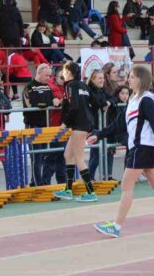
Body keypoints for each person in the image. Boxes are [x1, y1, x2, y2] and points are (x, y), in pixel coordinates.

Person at [90, 65, 154, 238]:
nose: (128, 79)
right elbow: (119, 123)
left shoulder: (146, 100)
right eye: (129, 76)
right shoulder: (133, 99)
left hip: (142, 148)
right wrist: (99, 134)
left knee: (126, 185)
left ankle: (116, 226)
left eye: (132, 77)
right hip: (142, 148)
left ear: (141, 80)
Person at [52, 62, 98, 202]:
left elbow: (74, 106)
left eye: (64, 71)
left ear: (69, 72)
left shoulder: (70, 86)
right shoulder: (83, 85)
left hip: (79, 125)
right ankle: (68, 189)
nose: (63, 74)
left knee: (78, 157)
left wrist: (65, 122)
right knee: (68, 155)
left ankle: (91, 192)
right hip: (82, 124)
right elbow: (95, 102)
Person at [22, 64, 59, 186]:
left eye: (50, 75)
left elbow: (53, 102)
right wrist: (50, 103)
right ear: (39, 73)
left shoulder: (48, 87)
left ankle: (38, 181)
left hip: (45, 125)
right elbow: (33, 105)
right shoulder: (29, 87)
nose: (49, 78)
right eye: (46, 75)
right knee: (36, 156)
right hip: (33, 125)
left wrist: (53, 102)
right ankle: (36, 183)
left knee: (43, 155)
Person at [85, 69, 117, 180]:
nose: (102, 80)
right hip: (92, 126)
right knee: (96, 153)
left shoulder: (102, 89)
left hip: (102, 125)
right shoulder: (88, 90)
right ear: (93, 79)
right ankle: (89, 178)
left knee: (107, 151)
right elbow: (97, 103)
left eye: (103, 78)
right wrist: (106, 102)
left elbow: (113, 98)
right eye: (99, 78)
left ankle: (105, 176)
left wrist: (109, 102)